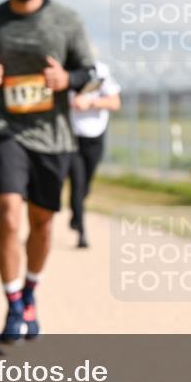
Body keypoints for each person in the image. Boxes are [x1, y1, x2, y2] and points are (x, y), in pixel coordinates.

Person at [0, 0, 96, 343]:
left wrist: (67, 79)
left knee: (42, 222)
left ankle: (30, 292)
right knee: (7, 212)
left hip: (53, 135)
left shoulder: (67, 20)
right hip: (6, 128)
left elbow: (88, 72)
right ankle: (12, 305)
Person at [67, 58, 121, 248]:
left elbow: (115, 102)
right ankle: (82, 232)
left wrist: (90, 102)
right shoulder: (64, 69)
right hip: (71, 137)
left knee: (86, 184)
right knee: (77, 182)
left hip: (95, 136)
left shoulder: (101, 71)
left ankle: (76, 212)